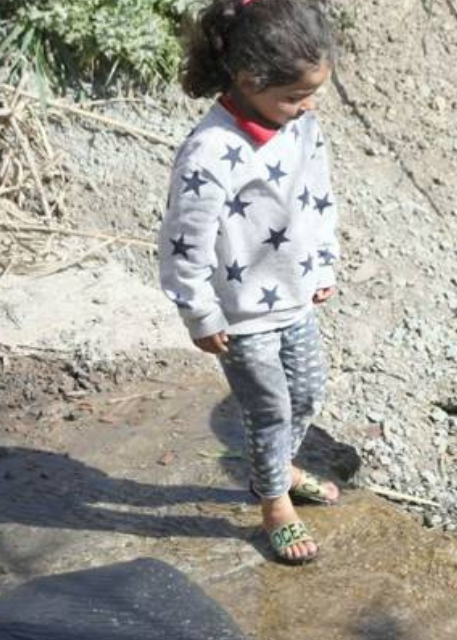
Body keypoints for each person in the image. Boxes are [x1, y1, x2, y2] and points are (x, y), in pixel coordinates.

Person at [158, 0, 341, 565]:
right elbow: (182, 241)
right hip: (241, 311)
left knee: (308, 390)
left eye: (313, 92)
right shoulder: (210, 152)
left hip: (294, 295)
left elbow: (318, 194)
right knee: (269, 409)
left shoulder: (301, 125)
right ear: (247, 79)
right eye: (294, 95)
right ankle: (274, 503)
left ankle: (278, 464)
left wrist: (324, 261)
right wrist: (200, 312)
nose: (307, 105)